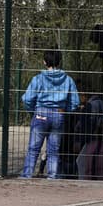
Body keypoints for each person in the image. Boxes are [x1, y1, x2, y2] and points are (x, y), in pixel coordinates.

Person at [20, 49, 80, 179]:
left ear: (44, 62)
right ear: (60, 61)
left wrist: (33, 111)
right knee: (53, 150)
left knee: (33, 149)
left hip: (41, 112)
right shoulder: (68, 80)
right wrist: (64, 110)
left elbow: (27, 99)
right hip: (58, 114)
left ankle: (27, 176)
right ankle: (52, 177)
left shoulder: (38, 79)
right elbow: (75, 102)